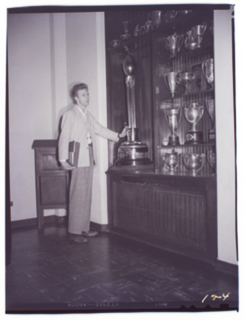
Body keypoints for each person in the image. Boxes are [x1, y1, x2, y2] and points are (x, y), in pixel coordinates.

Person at [58, 83, 127, 243]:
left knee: (86, 195)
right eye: (83, 95)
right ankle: (74, 231)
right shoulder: (69, 114)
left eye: (87, 94)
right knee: (77, 195)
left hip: (89, 158)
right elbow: (64, 138)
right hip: (77, 159)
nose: (87, 97)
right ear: (76, 98)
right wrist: (62, 160)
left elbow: (100, 129)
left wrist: (118, 135)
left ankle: (84, 228)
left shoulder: (88, 115)